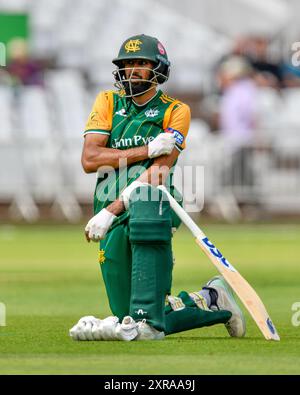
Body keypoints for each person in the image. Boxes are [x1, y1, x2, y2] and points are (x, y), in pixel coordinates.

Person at [69, 34, 246, 341]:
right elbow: (90, 158)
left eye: (141, 64)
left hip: (152, 205)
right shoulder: (107, 103)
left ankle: (198, 303)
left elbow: (160, 171)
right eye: (127, 65)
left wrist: (113, 211)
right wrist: (147, 149)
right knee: (132, 316)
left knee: (142, 320)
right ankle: (212, 301)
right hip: (107, 204)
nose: (132, 71)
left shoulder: (176, 111)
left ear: (158, 69)